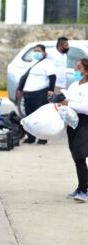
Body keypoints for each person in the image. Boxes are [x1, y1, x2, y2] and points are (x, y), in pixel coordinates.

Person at [17, 44, 56, 144]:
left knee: (40, 117)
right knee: (29, 116)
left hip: (40, 93)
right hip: (28, 94)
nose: (36, 53)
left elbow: (52, 77)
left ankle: (42, 138)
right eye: (35, 51)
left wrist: (50, 90)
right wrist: (20, 89)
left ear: (44, 52)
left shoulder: (47, 63)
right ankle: (31, 137)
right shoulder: (32, 62)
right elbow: (24, 77)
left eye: (39, 51)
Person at [61, 58, 88, 202]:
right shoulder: (74, 85)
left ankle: (84, 190)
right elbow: (67, 100)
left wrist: (69, 103)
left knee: (80, 154)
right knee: (75, 154)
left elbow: (85, 107)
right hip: (72, 122)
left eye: (79, 67)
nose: (75, 70)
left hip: (84, 122)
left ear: (86, 71)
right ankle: (81, 187)